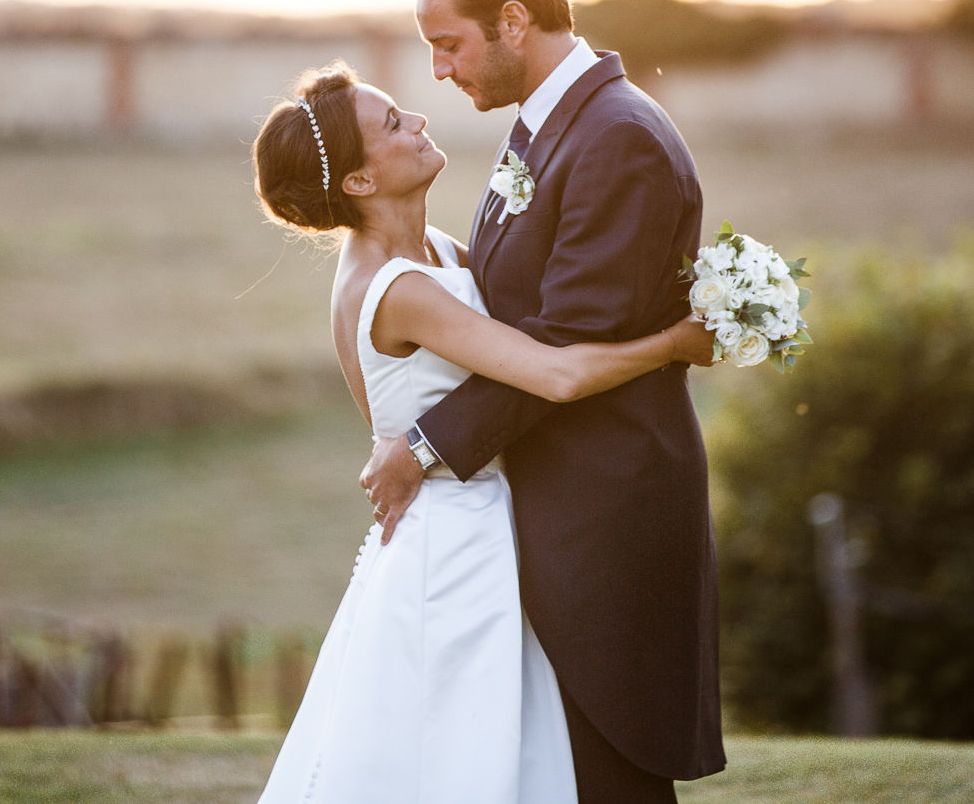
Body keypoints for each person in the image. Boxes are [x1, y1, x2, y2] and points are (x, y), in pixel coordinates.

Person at [252, 61, 715, 804]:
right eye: (394, 123)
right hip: (451, 546)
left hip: (484, 519)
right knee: (456, 756)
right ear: (360, 182)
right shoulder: (399, 288)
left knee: (505, 751)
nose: (420, 121)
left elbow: (551, 315)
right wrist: (672, 343)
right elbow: (554, 372)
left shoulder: (433, 249)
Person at [359, 0, 726, 802]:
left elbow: (563, 343)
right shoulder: (551, 124)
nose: (441, 71)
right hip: (547, 510)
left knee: (609, 779)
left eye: (448, 44)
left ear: (514, 20)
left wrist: (426, 441)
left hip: (607, 512)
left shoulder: (617, 136)